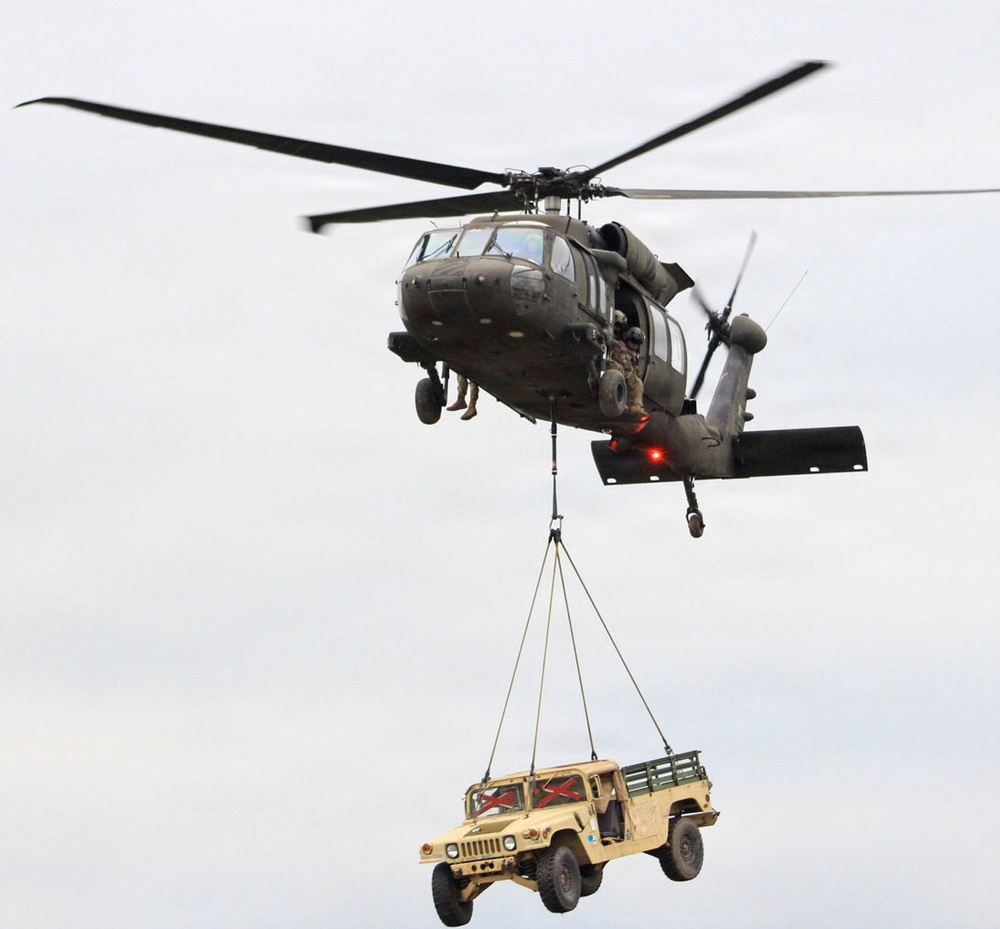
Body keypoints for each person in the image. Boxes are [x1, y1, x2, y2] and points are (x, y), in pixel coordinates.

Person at [607, 325, 645, 414]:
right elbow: (618, 359)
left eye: (637, 343)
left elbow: (629, 366)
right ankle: (617, 399)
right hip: (612, 368)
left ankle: (635, 405)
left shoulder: (631, 353)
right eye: (634, 341)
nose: (635, 345)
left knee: (637, 382)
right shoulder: (619, 345)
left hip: (622, 372)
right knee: (620, 374)